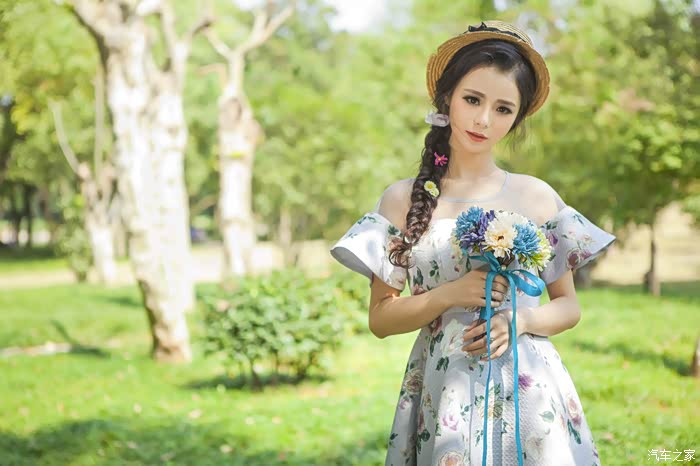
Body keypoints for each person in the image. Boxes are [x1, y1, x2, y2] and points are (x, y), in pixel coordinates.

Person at [329, 20, 617, 466]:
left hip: (529, 391)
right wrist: (448, 295)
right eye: (472, 99)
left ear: (517, 118)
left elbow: (569, 306)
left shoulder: (535, 196)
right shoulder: (402, 199)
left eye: (503, 109)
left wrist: (522, 320)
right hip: (444, 390)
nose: (484, 119)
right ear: (447, 98)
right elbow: (380, 319)